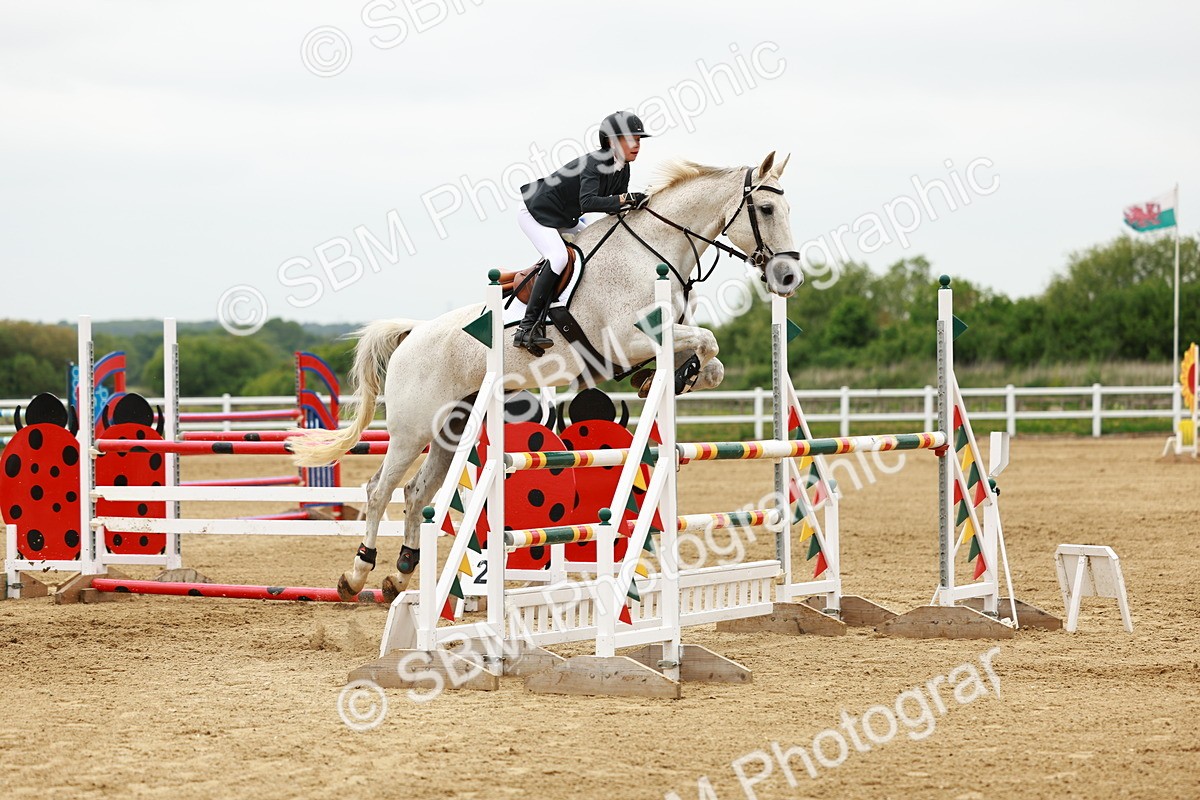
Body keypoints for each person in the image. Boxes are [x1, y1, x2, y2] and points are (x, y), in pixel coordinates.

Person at [513, 110, 652, 352]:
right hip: (536, 212)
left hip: (565, 216)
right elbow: (589, 202)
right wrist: (623, 199)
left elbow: (612, 208)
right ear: (611, 141)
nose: (637, 145)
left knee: (596, 247)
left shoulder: (623, 168)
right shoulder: (595, 163)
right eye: (631, 139)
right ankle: (526, 327)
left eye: (639, 140)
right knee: (557, 257)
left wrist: (634, 204)